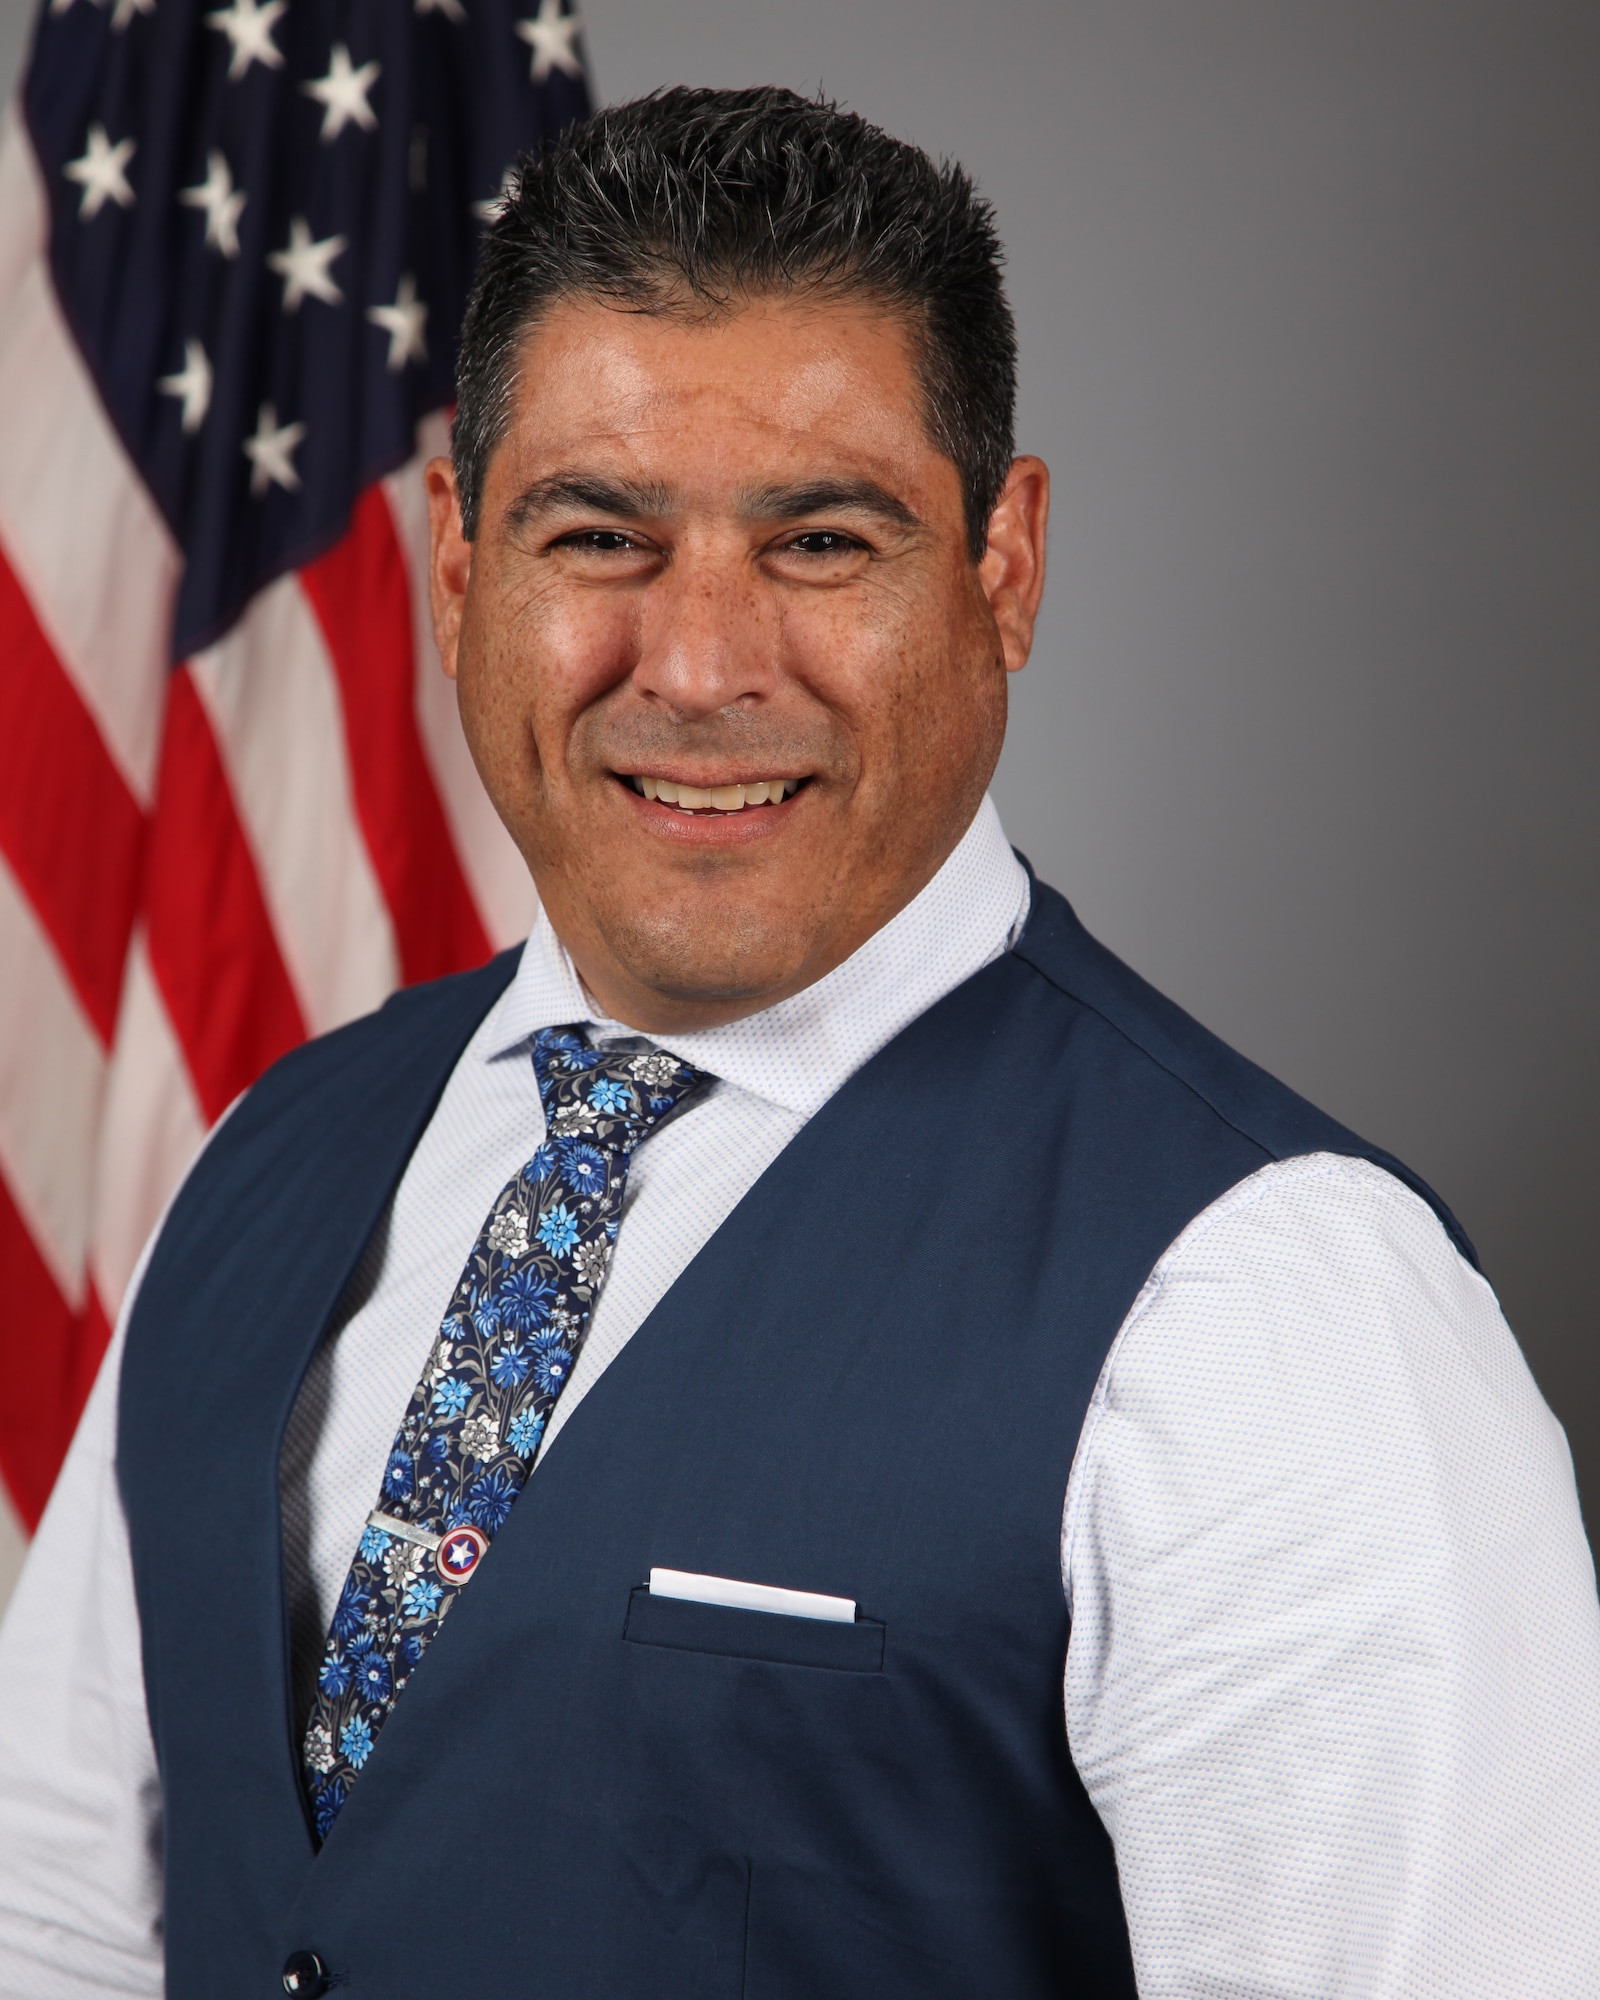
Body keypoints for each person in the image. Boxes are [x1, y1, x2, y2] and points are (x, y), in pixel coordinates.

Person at [0, 85, 1596, 2000]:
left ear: (1003, 568)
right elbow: (64, 1912)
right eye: (596, 533)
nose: (695, 666)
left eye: (825, 541)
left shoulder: (1275, 1303)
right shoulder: (272, 1149)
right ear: (455, 561)